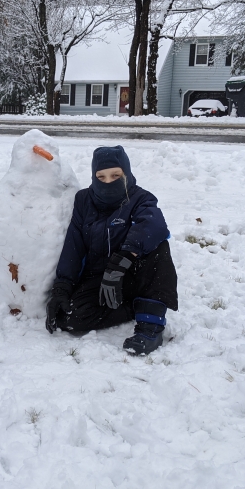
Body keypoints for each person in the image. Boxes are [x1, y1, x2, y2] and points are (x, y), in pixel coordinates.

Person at [45, 145, 178, 355]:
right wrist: (62, 287)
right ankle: (133, 307)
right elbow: (74, 246)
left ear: (126, 172)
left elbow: (154, 225)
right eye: (101, 176)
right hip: (100, 278)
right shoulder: (83, 201)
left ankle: (151, 325)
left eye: (116, 175)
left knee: (158, 245)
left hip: (134, 273)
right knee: (68, 318)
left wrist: (122, 260)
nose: (108, 181)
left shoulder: (140, 198)